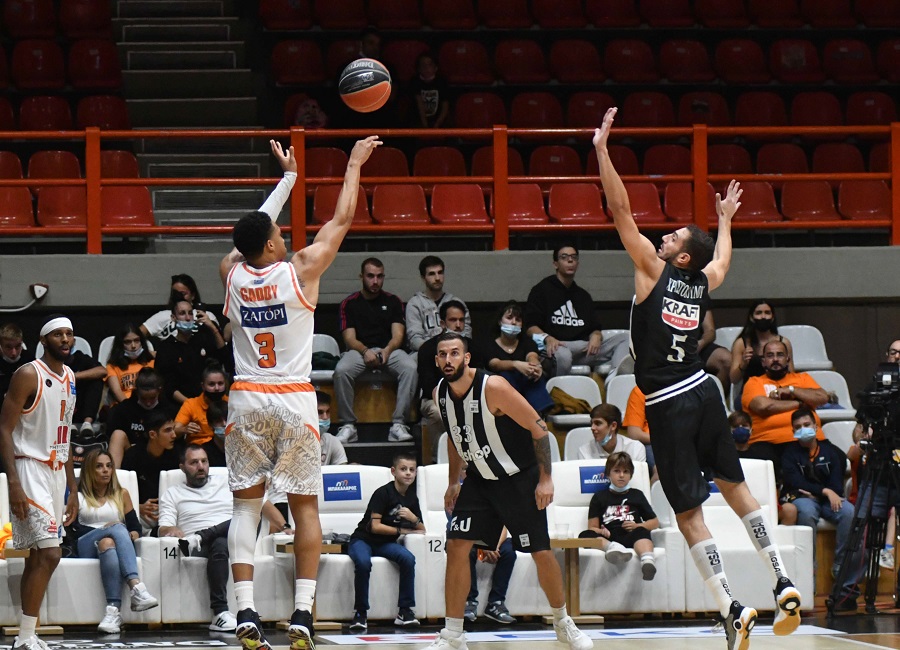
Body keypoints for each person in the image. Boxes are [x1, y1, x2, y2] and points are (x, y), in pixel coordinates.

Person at [594, 106, 801, 650]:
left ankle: (732, 606)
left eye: (674, 235)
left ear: (679, 254)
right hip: (705, 390)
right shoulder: (701, 282)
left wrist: (601, 151)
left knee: (688, 514)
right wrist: (727, 219)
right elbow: (724, 263)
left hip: (666, 397)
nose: (663, 236)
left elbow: (619, 209)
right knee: (735, 489)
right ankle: (782, 579)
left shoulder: (652, 271)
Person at [218, 135, 381, 650]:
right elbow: (342, 219)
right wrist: (353, 165)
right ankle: (304, 616)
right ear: (269, 245)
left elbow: (241, 240)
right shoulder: (302, 269)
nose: (284, 233)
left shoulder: (233, 275)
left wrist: (286, 182)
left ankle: (243, 609)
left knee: (245, 511)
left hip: (246, 398)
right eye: (278, 232)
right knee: (304, 510)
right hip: (292, 398)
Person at [425, 332, 592, 650]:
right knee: (457, 547)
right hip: (478, 481)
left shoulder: (494, 388)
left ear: (467, 358)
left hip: (518, 479)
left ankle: (563, 623)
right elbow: (455, 437)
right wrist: (452, 482)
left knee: (540, 552)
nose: (449, 360)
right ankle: (453, 634)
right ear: (437, 360)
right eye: (443, 355)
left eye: (455, 353)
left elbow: (539, 429)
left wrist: (545, 479)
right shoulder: (440, 394)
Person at [0, 314, 79, 650]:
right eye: (58, 334)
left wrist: (73, 488)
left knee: (38, 555)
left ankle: (26, 636)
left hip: (57, 470)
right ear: (44, 340)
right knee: (51, 553)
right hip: (29, 467)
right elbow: (4, 428)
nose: (65, 339)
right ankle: (25, 636)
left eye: (69, 334)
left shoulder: (71, 376)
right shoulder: (28, 374)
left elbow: (67, 433)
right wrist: (13, 482)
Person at [780, 407, 859, 610]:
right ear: (793, 431)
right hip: (802, 499)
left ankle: (840, 567)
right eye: (798, 427)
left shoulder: (832, 451)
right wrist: (823, 491)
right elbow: (795, 482)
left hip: (826, 499)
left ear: (816, 427)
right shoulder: (788, 453)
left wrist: (823, 492)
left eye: (807, 425)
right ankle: (809, 573)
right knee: (806, 511)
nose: (803, 429)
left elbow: (836, 486)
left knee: (849, 512)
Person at [73, 449, 158, 633]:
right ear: (89, 470)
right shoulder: (77, 495)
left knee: (108, 543)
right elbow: (71, 530)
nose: (105, 470)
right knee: (117, 528)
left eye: (109, 466)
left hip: (112, 544)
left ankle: (113, 612)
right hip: (84, 543)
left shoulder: (122, 494)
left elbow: (135, 528)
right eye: (99, 466)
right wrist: (110, 530)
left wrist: (127, 537)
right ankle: (136, 587)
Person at [335, 257, 418, 444]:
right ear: (361, 277)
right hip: (359, 351)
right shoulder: (349, 303)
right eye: (370, 276)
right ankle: (348, 425)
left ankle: (399, 424)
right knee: (341, 371)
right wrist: (365, 351)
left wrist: (387, 351)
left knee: (410, 367)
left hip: (388, 350)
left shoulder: (393, 301)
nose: (375, 281)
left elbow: (398, 336)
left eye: (379, 276)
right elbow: (349, 338)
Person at [158, 445, 236, 632]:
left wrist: (284, 526)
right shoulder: (173, 493)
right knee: (219, 543)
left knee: (246, 518)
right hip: (202, 547)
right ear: (182, 467)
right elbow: (163, 528)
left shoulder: (226, 483)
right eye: (194, 462)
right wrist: (172, 529)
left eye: (204, 461)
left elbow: (259, 506)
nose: (201, 466)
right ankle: (220, 613)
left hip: (235, 535)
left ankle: (201, 536)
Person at [524, 243, 629, 379]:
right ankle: (558, 391)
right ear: (555, 264)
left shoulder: (582, 296)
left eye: (574, 257)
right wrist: (547, 338)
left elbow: (595, 327)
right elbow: (530, 327)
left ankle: (615, 379)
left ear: (577, 263)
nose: (570, 260)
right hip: (556, 348)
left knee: (624, 338)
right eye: (564, 257)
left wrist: (596, 336)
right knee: (564, 355)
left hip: (583, 349)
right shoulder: (541, 290)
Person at [348, 452, 424, 631]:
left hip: (385, 544)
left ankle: (404, 611)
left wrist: (414, 518)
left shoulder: (412, 498)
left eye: (412, 470)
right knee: (363, 563)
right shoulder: (383, 493)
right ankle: (360, 613)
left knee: (408, 559)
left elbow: (422, 530)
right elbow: (374, 526)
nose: (408, 473)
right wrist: (401, 530)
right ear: (393, 471)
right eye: (403, 469)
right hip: (363, 540)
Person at [741, 340, 829, 471]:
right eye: (770, 355)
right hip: (768, 443)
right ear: (763, 361)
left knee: (836, 456)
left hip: (809, 440)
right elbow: (763, 406)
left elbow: (822, 397)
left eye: (780, 355)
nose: (775, 359)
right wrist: (800, 403)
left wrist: (791, 390)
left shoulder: (802, 379)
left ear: (788, 359)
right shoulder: (754, 382)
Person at [582, 451, 658, 580]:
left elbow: (655, 522)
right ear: (608, 474)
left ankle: (647, 562)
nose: (621, 475)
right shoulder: (599, 497)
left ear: (631, 475)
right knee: (585, 535)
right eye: (617, 471)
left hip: (631, 535)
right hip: (610, 537)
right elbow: (592, 528)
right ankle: (613, 549)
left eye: (626, 471)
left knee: (642, 531)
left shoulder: (637, 495)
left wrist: (638, 525)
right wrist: (601, 531)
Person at [417, 300, 476, 461]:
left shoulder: (472, 347)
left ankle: (474, 458)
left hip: (466, 397)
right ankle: (438, 460)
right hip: (434, 398)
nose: (458, 325)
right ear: (443, 323)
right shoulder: (428, 348)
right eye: (453, 320)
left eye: (461, 320)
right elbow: (427, 385)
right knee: (437, 412)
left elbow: (479, 378)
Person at [485, 301, 553, 416]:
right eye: (509, 318)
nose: (513, 322)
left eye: (518, 320)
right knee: (505, 376)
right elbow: (495, 364)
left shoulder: (527, 342)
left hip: (525, 386)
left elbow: (532, 356)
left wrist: (535, 366)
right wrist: (516, 364)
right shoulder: (489, 344)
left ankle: (539, 416)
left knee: (533, 377)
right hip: (499, 392)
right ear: (499, 321)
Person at [154, 299, 228, 404]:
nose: (188, 318)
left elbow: (224, 357)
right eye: (182, 314)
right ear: (173, 318)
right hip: (181, 404)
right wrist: (192, 405)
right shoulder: (166, 347)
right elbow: (168, 386)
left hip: (210, 401)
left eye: (190, 313)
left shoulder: (202, 339)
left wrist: (212, 327)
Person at [121, 410, 180, 532]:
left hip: (169, 513)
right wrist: (138, 507)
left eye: (173, 429)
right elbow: (121, 491)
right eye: (168, 430)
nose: (174, 435)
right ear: (153, 434)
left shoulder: (176, 456)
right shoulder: (133, 456)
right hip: (140, 513)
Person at [728, 300, 794, 408]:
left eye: (767, 313)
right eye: (758, 313)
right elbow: (733, 379)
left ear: (772, 317)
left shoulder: (784, 342)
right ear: (751, 317)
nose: (763, 317)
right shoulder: (742, 343)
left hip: (778, 391)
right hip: (751, 391)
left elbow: (791, 375)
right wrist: (743, 363)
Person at [107, 368, 178, 467]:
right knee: (118, 435)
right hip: (132, 454)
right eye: (144, 398)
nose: (148, 403)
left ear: (159, 391)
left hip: (161, 451)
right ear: (136, 391)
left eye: (152, 398)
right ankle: (114, 479)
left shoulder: (169, 410)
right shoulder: (123, 409)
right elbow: (111, 434)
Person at [406, 255, 471, 352]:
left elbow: (467, 334)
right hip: (425, 352)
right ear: (423, 278)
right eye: (432, 274)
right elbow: (415, 339)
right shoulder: (415, 303)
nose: (437, 278)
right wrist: (438, 351)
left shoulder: (456, 302)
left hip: (455, 352)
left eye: (440, 273)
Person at [141, 274, 220, 341]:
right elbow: (137, 335)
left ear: (192, 295)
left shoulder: (206, 315)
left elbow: (221, 343)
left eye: (183, 293)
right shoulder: (162, 316)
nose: (179, 296)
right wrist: (149, 352)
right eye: (175, 293)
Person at [464, 528, 517, 624]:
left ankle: (496, 603)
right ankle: (469, 602)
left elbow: (503, 528)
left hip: (493, 541)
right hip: (469, 538)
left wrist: (493, 547)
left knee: (509, 551)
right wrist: (483, 546)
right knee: (467, 551)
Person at [174, 363, 229, 446]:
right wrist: (184, 429)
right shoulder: (191, 404)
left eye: (220, 383)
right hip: (199, 450)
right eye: (211, 384)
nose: (217, 388)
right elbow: (174, 431)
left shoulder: (231, 402)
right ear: (203, 386)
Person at [105, 323, 156, 405]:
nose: (133, 346)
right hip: (124, 407)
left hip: (149, 405)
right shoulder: (112, 366)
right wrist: (131, 409)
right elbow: (117, 392)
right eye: (128, 342)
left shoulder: (151, 362)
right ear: (121, 345)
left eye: (136, 341)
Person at [578, 403, 646, 463]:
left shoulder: (635, 448)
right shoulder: (584, 451)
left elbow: (638, 477)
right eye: (591, 423)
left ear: (613, 426)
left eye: (598, 423)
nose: (592, 428)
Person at [410, 52, 450, 129]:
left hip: (438, 120)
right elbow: (419, 104)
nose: (426, 68)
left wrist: (437, 124)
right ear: (418, 68)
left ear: (436, 67)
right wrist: (425, 126)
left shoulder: (442, 81)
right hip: (419, 121)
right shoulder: (415, 81)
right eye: (423, 65)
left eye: (429, 65)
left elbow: (445, 106)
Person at [0, 322, 34, 409]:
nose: (14, 352)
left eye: (18, 346)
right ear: (1, 346)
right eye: (8, 347)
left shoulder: (30, 360)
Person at [315, 391, 349, 465]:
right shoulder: (293, 442)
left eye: (328, 412)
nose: (325, 417)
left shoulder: (332, 441)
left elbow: (342, 472)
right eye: (320, 412)